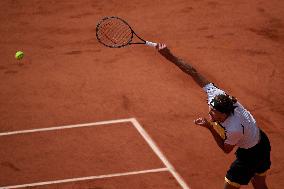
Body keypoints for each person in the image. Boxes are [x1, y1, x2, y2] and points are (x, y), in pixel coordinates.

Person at [156, 43, 271, 189]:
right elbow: (193, 72)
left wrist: (210, 127)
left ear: (224, 114)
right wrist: (169, 56)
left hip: (250, 154)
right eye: (210, 107)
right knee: (258, 182)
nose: (209, 111)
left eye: (213, 111)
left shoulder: (234, 128)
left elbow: (226, 149)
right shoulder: (217, 95)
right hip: (261, 140)